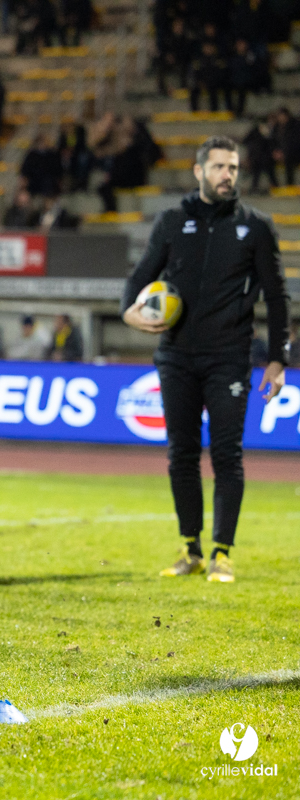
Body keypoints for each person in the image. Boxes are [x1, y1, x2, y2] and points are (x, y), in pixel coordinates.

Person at [122, 135, 288, 584]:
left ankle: (222, 553)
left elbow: (277, 298)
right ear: (199, 171)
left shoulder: (256, 227)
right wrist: (129, 314)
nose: (227, 175)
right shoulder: (172, 221)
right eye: (218, 167)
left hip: (229, 358)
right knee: (181, 454)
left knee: (227, 455)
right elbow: (138, 280)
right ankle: (190, 549)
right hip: (175, 357)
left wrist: (277, 359)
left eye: (232, 167)